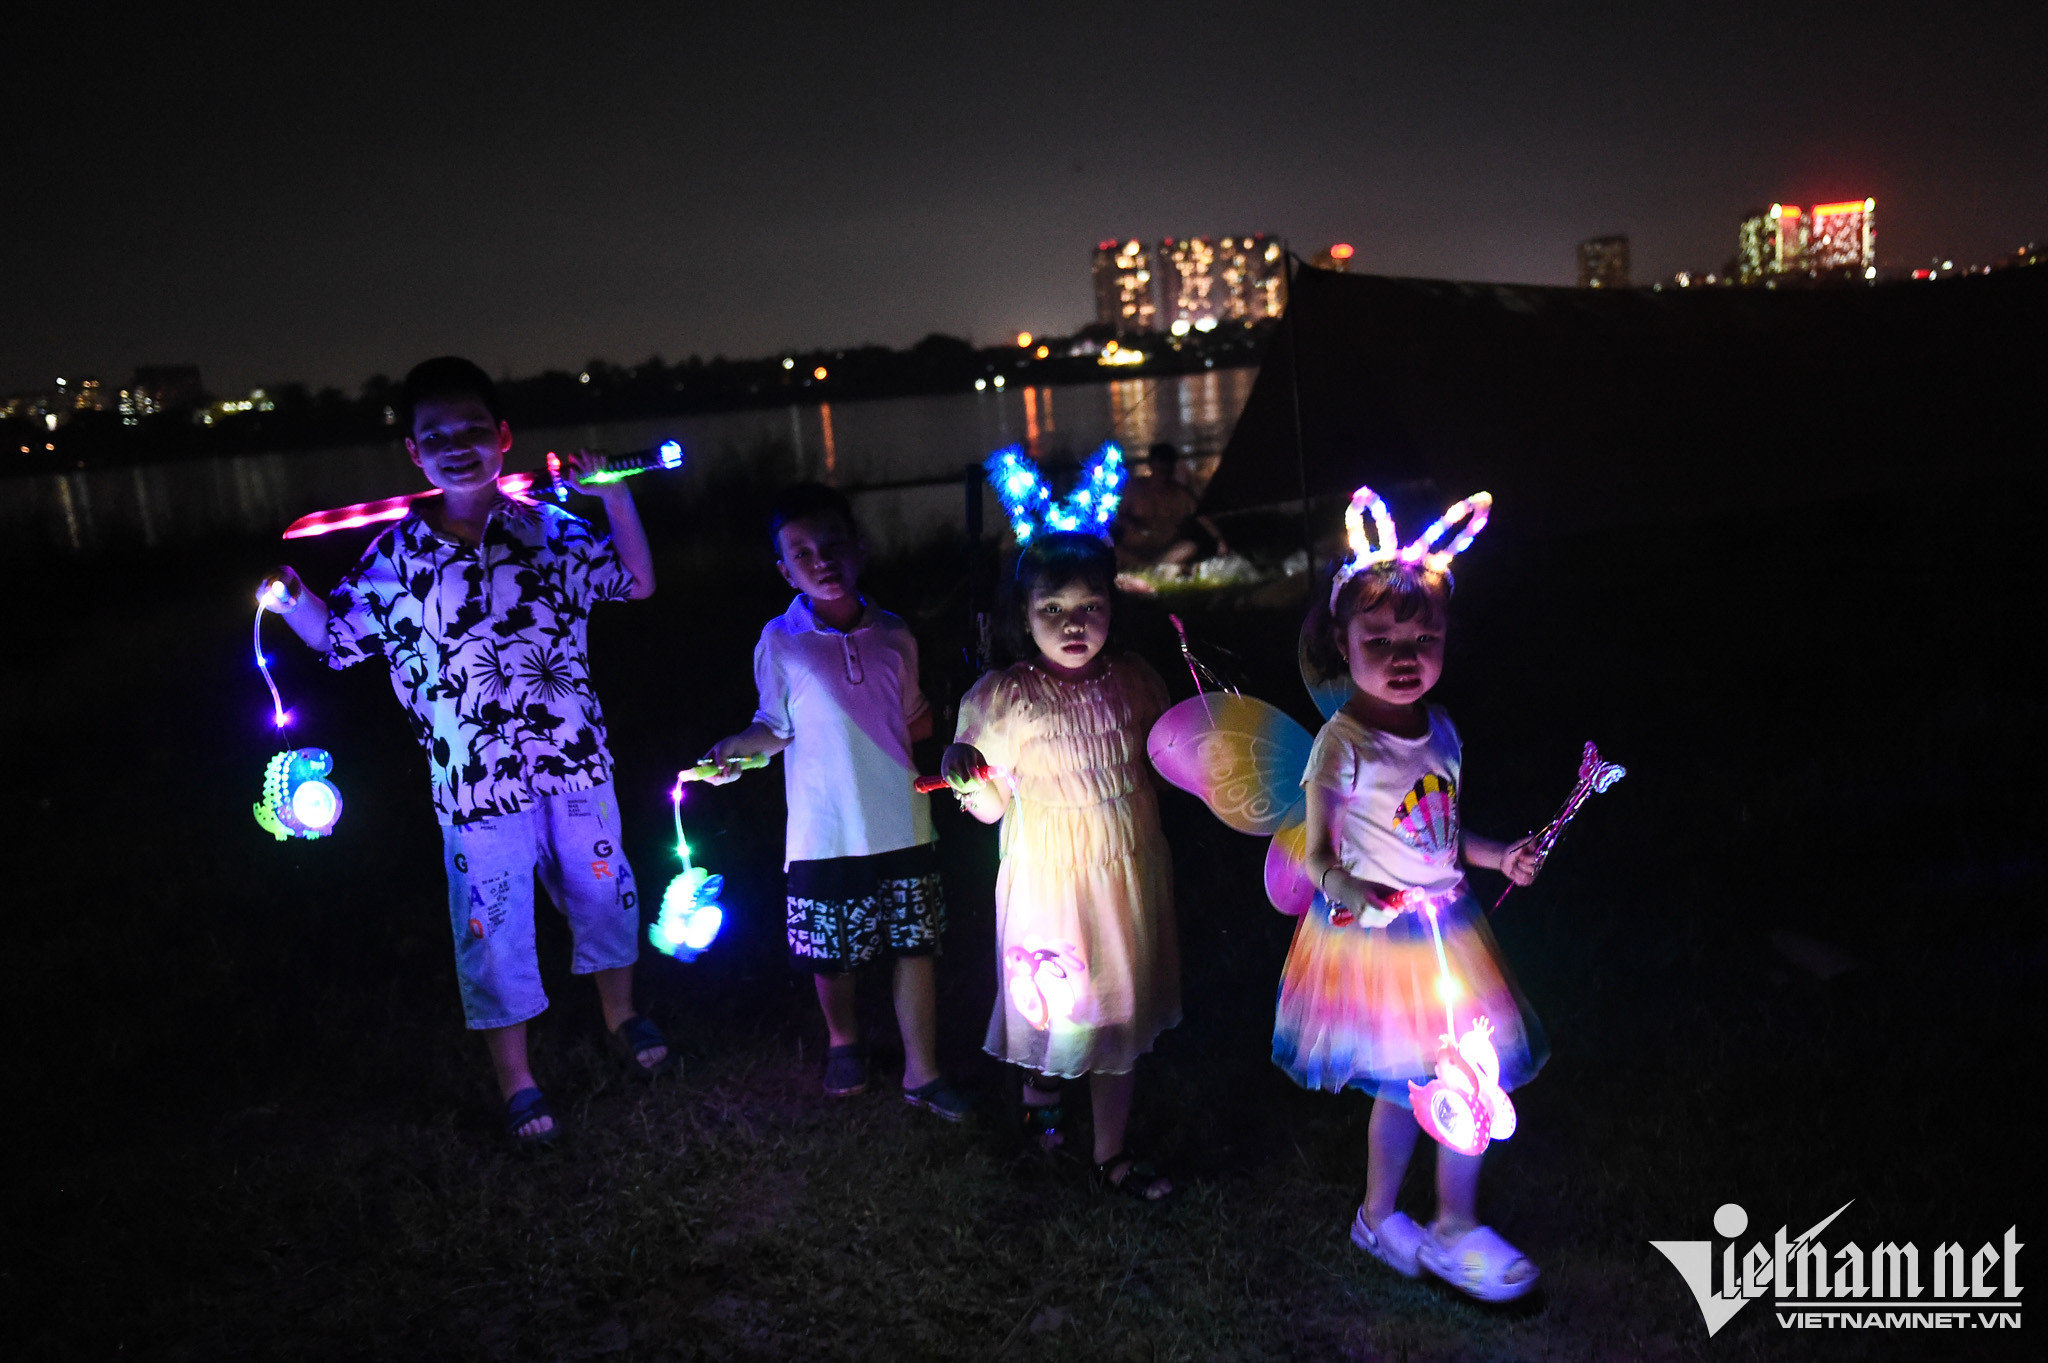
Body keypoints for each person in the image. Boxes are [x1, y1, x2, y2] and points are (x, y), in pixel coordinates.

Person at [263, 356, 667, 1148]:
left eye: (473, 429)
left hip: (573, 760)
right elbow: (338, 639)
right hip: (475, 782)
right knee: (494, 922)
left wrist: (614, 495)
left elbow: (635, 580)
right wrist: (290, 597)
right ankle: (517, 1077)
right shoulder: (396, 557)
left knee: (602, 892)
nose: (457, 445)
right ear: (414, 452)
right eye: (437, 435)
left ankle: (622, 1014)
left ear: (504, 436)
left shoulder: (550, 529)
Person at [1279, 524, 1549, 1299]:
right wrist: (1345, 887)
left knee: (1471, 1074)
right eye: (1381, 640)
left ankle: (1456, 1222)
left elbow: (1441, 832)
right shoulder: (1342, 745)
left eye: (1423, 638)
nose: (1405, 656)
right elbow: (1317, 852)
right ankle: (1377, 1214)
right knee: (1405, 1084)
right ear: (1341, 642)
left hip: (1449, 928)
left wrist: (1499, 856)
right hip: (1379, 939)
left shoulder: (1443, 731)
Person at [700, 483, 969, 1121]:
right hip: (824, 831)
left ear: (860, 548)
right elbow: (775, 726)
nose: (821, 560)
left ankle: (923, 1070)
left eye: (833, 543)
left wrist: (970, 720)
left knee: (915, 945)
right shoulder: (781, 641)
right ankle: (843, 1040)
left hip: (903, 821)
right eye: (802, 552)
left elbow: (913, 717)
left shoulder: (895, 634)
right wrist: (739, 747)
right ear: (784, 570)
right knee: (834, 953)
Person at [941, 531, 1180, 1199]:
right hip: (1051, 882)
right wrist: (967, 777)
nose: (1073, 624)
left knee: (1117, 1007)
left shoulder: (1135, 681)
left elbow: (1165, 762)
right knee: (1057, 1005)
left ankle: (1111, 1152)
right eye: (1053, 609)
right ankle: (1041, 1109)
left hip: (1124, 874)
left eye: (1089, 606)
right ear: (1023, 615)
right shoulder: (1006, 698)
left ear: (1112, 606)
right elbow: (990, 806)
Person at [1112, 442, 1228, 573]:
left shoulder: (1182, 495)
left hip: (1166, 552)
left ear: (1172, 468)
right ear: (1151, 465)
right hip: (1134, 550)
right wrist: (1132, 525)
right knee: (1114, 551)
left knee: (1189, 547)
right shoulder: (1133, 489)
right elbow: (1118, 516)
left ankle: (1153, 568)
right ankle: (1150, 568)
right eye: (1159, 469)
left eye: (1166, 470)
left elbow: (1202, 517)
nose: (1162, 474)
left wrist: (1219, 540)